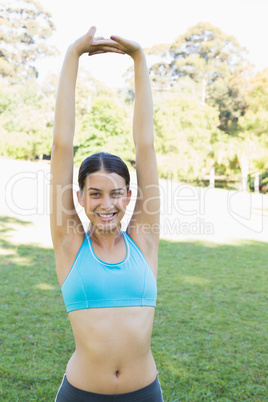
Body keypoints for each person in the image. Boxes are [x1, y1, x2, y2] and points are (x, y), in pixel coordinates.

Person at [50, 26, 163, 401]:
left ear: (129, 196)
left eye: (116, 193)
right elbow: (62, 144)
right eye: (95, 194)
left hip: (144, 392)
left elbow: (144, 144)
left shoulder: (143, 240)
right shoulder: (70, 245)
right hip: (81, 393)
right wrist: (72, 55)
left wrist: (139, 59)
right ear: (79, 197)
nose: (106, 204)